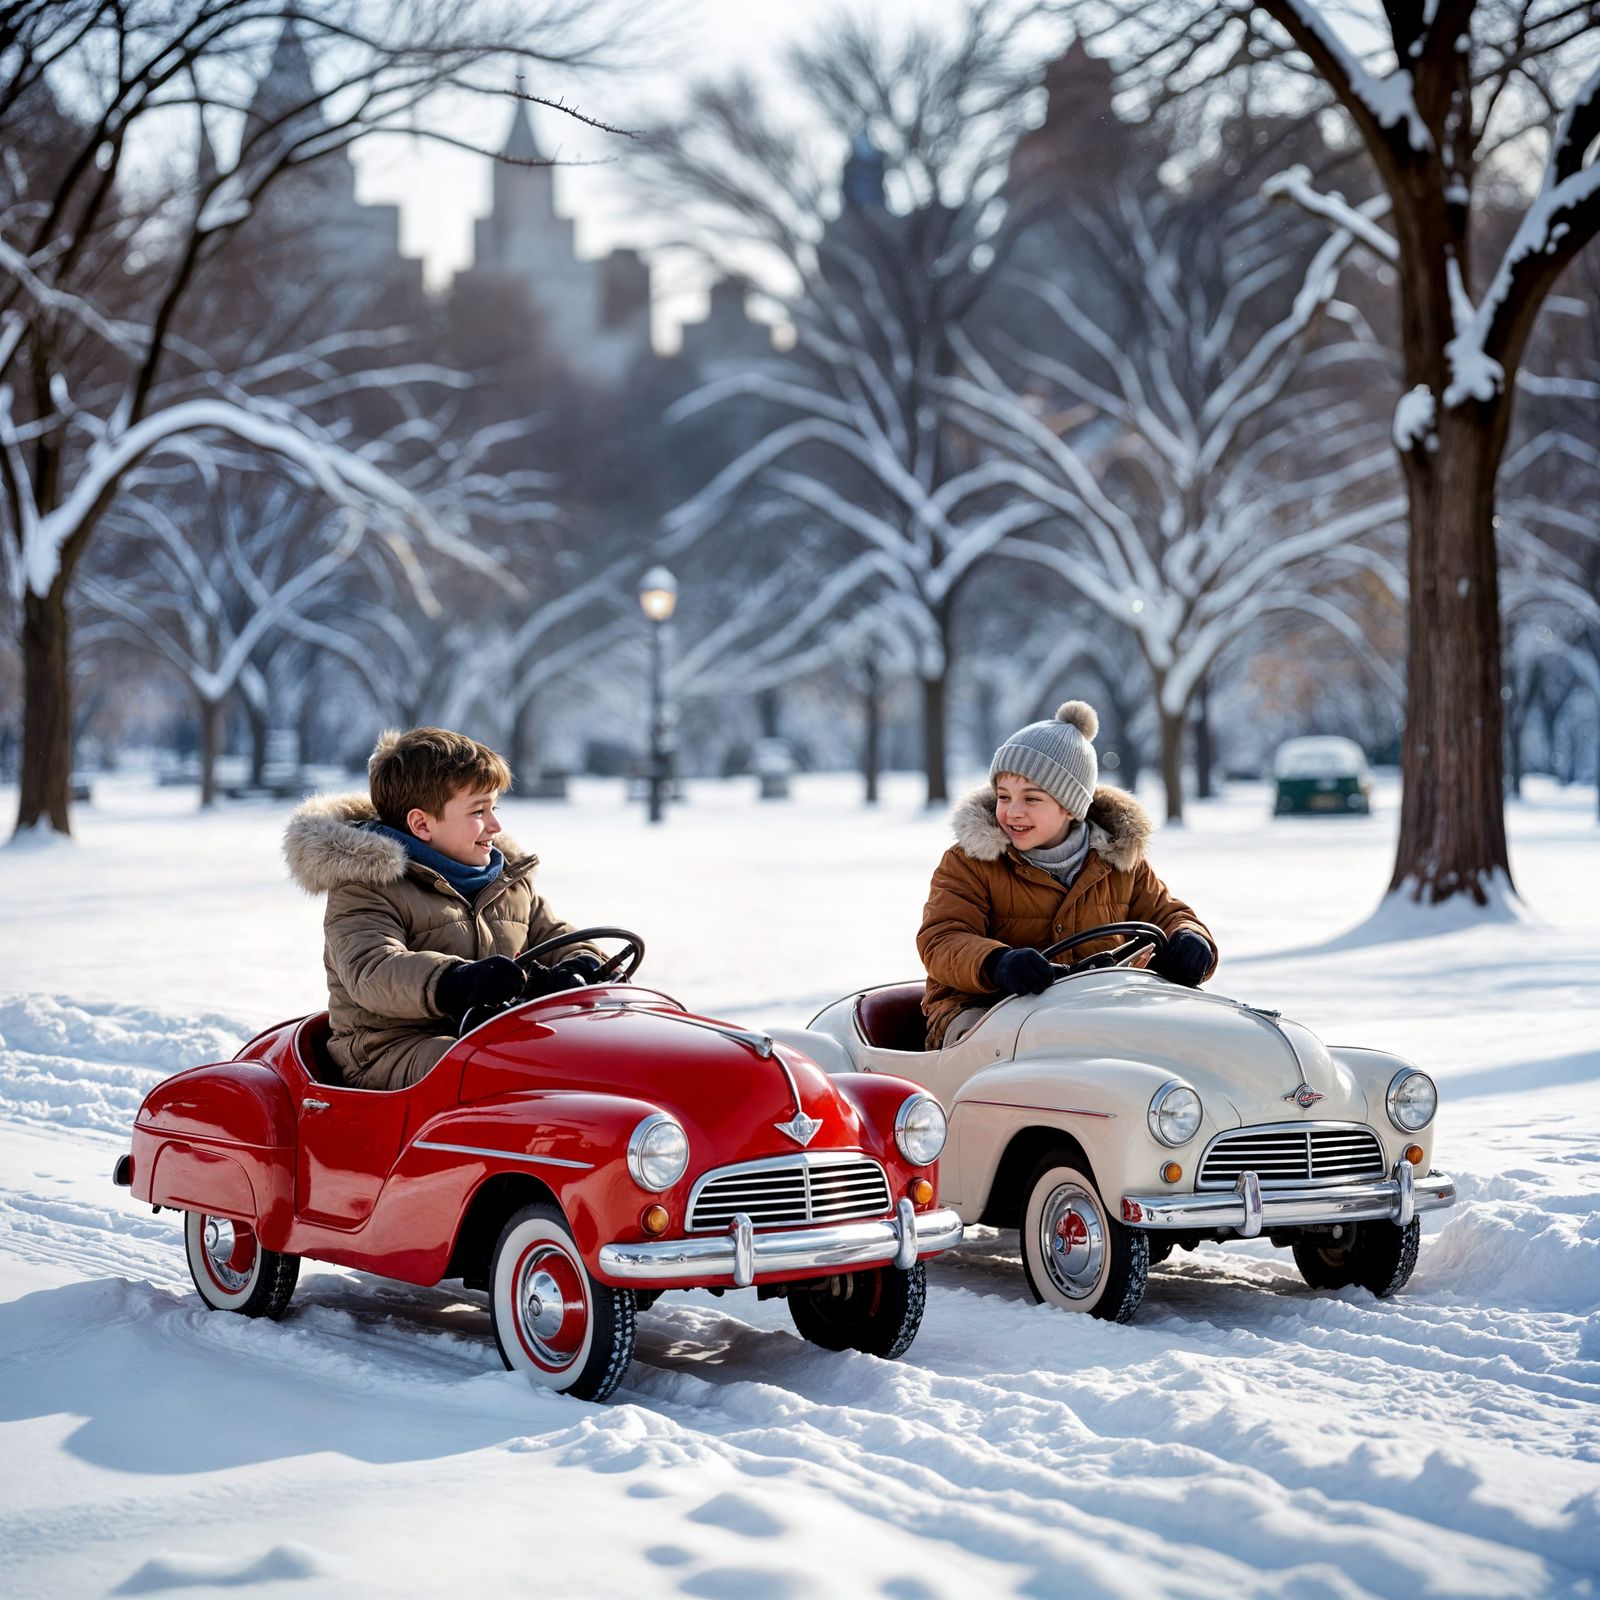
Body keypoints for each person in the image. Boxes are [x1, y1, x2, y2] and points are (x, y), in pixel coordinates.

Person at [283, 727, 601, 1090]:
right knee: (494, 1069)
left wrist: (583, 962)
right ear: (421, 824)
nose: (495, 825)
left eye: (494, 807)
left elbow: (554, 933)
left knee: (582, 1054)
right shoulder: (366, 887)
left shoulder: (506, 881)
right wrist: (454, 982)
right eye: (479, 811)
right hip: (390, 1052)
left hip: (485, 1031)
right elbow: (371, 969)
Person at [918, 700, 1216, 1050]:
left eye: (1031, 799)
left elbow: (1167, 914)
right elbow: (942, 938)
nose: (1012, 811)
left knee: (1182, 1040)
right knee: (1011, 1046)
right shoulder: (969, 862)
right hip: (984, 1008)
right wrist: (997, 962)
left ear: (1071, 807)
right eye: (1003, 796)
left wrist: (1190, 939)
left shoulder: (1118, 861)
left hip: (1093, 1010)